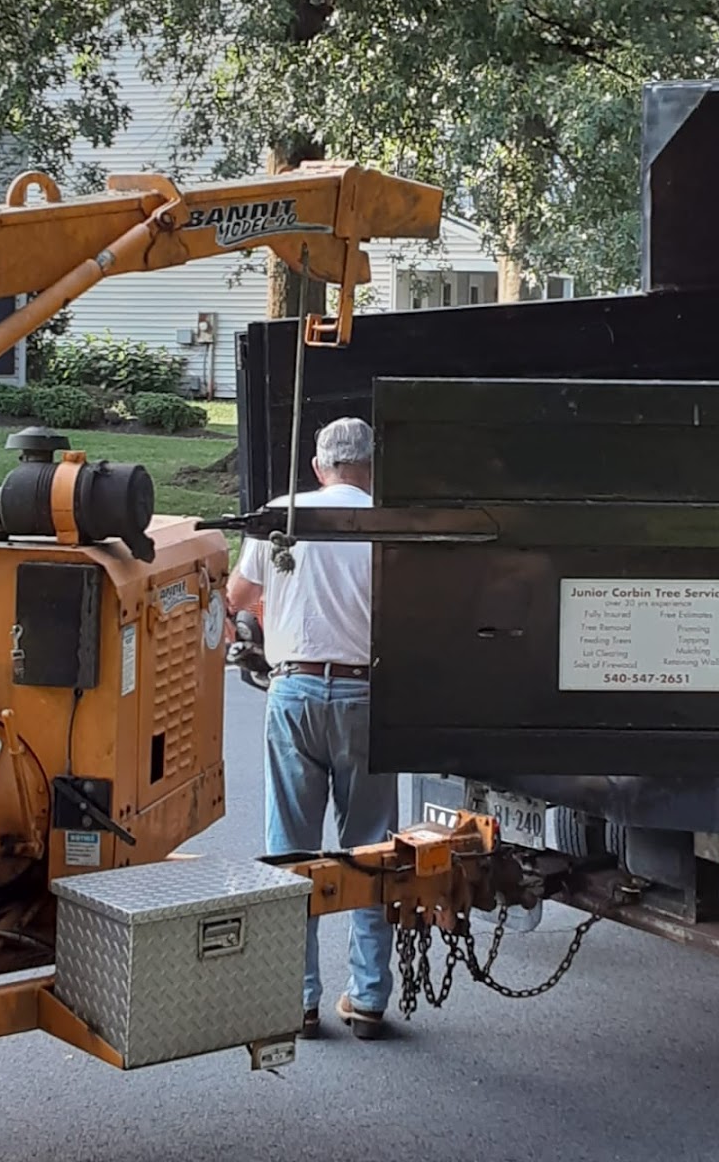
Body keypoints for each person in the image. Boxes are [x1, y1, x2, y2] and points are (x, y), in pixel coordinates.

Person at [227, 416, 398, 1041]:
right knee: (372, 847)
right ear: (370, 467)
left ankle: (298, 996)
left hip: (294, 688)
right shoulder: (392, 520)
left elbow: (239, 593)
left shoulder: (282, 512)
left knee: (291, 851)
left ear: (319, 466)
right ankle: (370, 996)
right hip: (367, 695)